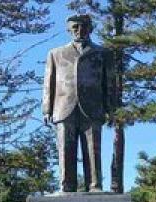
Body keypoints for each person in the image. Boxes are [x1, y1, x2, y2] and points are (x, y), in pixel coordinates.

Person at [42, 14, 116, 192]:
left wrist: (111, 108)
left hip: (93, 107)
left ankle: (95, 185)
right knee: (65, 150)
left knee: (93, 149)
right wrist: (47, 108)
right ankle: (67, 186)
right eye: (75, 27)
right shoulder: (56, 54)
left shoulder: (103, 54)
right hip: (63, 107)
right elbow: (49, 82)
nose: (79, 30)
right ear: (69, 30)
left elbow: (110, 83)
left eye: (83, 26)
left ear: (90, 29)